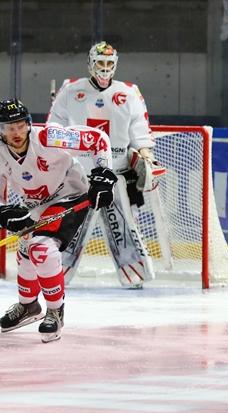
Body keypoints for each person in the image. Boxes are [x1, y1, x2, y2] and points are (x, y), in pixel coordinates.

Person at [0, 98, 117, 342]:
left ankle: (55, 311)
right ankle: (28, 306)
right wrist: (4, 213)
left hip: (70, 194)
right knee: (25, 250)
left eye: (20, 125)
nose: (16, 132)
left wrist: (103, 175)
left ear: (28, 124)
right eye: (9, 128)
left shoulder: (49, 138)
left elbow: (98, 139)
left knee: (41, 248)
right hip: (37, 205)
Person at [48, 41, 162, 288]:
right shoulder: (70, 90)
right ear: (90, 63)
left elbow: (140, 129)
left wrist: (146, 155)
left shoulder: (129, 92)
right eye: (100, 62)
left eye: (110, 63)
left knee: (123, 224)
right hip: (79, 175)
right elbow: (53, 128)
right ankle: (55, 273)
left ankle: (135, 274)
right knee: (71, 224)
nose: (105, 67)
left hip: (116, 174)